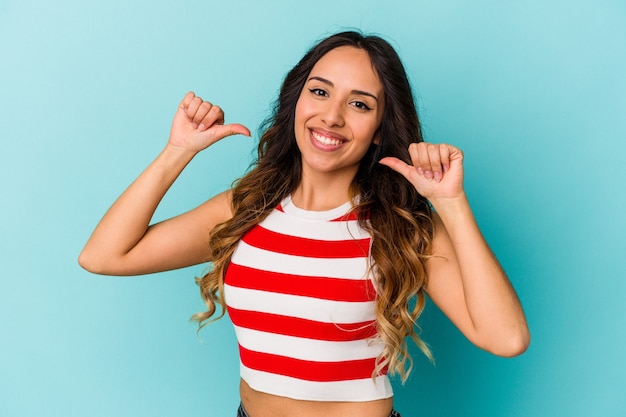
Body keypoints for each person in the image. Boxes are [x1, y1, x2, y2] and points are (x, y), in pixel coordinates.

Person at [79, 31, 529, 417]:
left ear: (379, 129)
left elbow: (506, 338)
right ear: (296, 100)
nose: (331, 116)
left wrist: (450, 203)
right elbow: (104, 256)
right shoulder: (244, 209)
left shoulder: (400, 226)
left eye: (359, 103)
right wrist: (178, 149)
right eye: (319, 91)